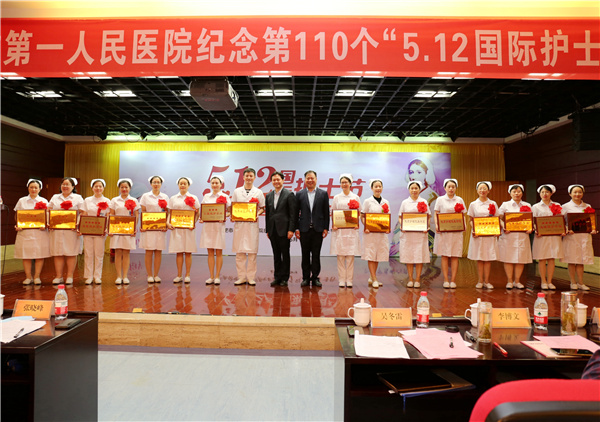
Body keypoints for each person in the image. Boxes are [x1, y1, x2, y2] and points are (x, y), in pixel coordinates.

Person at [295, 170, 330, 288]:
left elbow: (326, 212)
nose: (310, 180)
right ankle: (305, 278)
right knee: (305, 254)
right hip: (304, 229)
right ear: (305, 180)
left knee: (316, 254)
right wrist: (296, 228)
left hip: (318, 229)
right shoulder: (299, 194)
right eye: (308, 178)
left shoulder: (323, 194)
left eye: (312, 178)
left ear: (316, 179)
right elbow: (296, 213)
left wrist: (326, 228)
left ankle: (315, 277)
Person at [231, 168, 265, 286]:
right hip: (240, 225)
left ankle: (251, 277)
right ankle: (241, 277)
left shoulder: (258, 192)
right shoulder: (237, 191)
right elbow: (233, 207)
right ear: (243, 177)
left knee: (252, 253)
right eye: (247, 176)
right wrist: (233, 215)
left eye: (251, 176)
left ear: (254, 177)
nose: (249, 178)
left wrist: (256, 214)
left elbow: (262, 207)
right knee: (239, 253)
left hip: (252, 225)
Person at [14, 179, 51, 285]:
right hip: (25, 232)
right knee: (26, 255)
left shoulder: (44, 201)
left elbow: (47, 216)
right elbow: (17, 215)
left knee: (39, 254)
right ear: (28, 188)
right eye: (31, 187)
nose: (33, 189)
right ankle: (28, 277)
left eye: (36, 187)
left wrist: (45, 225)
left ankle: (37, 277)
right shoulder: (22, 200)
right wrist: (18, 225)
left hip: (40, 232)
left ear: (40, 189)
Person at [48, 177, 84, 284]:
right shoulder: (55, 197)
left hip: (72, 230)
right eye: (63, 184)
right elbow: (48, 210)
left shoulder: (77, 198)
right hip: (57, 230)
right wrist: (49, 222)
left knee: (71, 252)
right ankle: (59, 276)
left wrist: (78, 223)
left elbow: (83, 212)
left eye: (67, 184)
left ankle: (69, 276)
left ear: (73, 187)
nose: (65, 186)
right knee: (58, 252)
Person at [497, 184, 533, 289]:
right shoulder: (505, 205)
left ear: (522, 193)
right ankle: (509, 281)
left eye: (519, 191)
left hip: (522, 236)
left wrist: (530, 228)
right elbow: (498, 218)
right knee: (508, 258)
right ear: (510, 193)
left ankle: (517, 281)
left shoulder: (527, 205)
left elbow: (531, 220)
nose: (516, 193)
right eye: (514, 191)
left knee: (520, 259)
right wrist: (504, 226)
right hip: (509, 236)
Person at [561, 184, 597, 291]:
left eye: (580, 192)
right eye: (575, 192)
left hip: (584, 236)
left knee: (581, 260)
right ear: (570, 194)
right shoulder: (565, 207)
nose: (577, 194)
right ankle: (573, 282)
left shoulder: (587, 206)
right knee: (572, 260)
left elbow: (591, 221)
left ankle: (581, 283)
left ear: (583, 193)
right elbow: (561, 222)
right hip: (571, 237)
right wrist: (566, 229)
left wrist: (593, 229)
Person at [265, 171, 296, 287]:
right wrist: (268, 230)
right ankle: (277, 277)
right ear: (272, 182)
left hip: (284, 229)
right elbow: (268, 214)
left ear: (283, 180)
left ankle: (285, 278)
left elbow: (293, 214)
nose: (276, 182)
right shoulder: (268, 195)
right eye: (274, 180)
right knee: (276, 254)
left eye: (278, 179)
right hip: (273, 230)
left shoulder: (289, 194)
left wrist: (291, 229)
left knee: (285, 254)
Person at [433, 178, 466, 289]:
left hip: (456, 232)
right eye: (449, 187)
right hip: (444, 232)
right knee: (445, 255)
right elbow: (436, 214)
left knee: (455, 255)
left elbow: (462, 215)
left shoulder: (459, 199)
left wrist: (463, 226)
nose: (451, 189)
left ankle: (453, 280)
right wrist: (437, 225)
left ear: (456, 188)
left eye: (453, 187)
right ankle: (446, 280)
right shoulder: (440, 200)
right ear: (445, 188)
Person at [467, 181, 499, 289]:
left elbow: (496, 219)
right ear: (477, 190)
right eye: (480, 188)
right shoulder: (473, 204)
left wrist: (496, 230)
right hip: (478, 235)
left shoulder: (493, 203)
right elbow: (470, 220)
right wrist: (474, 230)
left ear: (488, 191)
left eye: (485, 188)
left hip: (489, 235)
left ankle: (487, 281)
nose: (482, 190)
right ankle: (480, 281)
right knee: (480, 258)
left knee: (488, 258)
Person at [398, 180, 431, 288]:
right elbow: (400, 217)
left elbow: (428, 217)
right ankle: (410, 279)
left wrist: (426, 226)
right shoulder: (404, 202)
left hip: (420, 234)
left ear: (419, 189)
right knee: (409, 256)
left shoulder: (424, 202)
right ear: (409, 190)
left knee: (419, 256)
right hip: (408, 234)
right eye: (412, 188)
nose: (414, 190)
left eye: (416, 188)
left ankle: (417, 279)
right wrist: (402, 225)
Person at [199, 175, 231, 286]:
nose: (214, 185)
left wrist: (224, 216)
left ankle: (217, 276)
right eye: (212, 183)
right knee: (210, 252)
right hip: (208, 227)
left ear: (221, 184)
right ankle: (211, 276)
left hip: (218, 227)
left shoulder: (225, 196)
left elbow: (230, 211)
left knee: (219, 252)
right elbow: (203, 211)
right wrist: (201, 218)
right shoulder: (206, 196)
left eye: (216, 183)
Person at [167, 177, 200, 283]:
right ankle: (179, 275)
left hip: (189, 228)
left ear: (188, 185)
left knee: (188, 252)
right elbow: (170, 213)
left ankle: (187, 275)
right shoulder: (173, 198)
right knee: (179, 252)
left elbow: (197, 213)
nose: (182, 185)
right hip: (177, 228)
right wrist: (168, 223)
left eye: (185, 183)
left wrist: (193, 223)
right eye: (181, 183)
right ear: (178, 185)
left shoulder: (193, 197)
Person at [331, 173, 361, 288]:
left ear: (350, 183)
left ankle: (349, 280)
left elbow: (359, 213)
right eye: (342, 182)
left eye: (346, 182)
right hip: (340, 231)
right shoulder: (337, 198)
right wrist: (334, 224)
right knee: (340, 256)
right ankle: (341, 280)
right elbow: (333, 213)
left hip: (351, 231)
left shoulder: (355, 197)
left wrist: (357, 223)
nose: (344, 184)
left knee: (350, 257)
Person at [531, 184, 564, 290]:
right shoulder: (535, 207)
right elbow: (532, 221)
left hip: (554, 236)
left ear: (551, 193)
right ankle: (543, 281)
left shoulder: (557, 205)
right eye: (542, 192)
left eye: (547, 192)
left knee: (551, 258)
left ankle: (550, 281)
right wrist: (536, 230)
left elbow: (561, 220)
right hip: (541, 236)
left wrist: (562, 230)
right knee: (542, 258)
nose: (544, 194)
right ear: (539, 194)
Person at [109, 178, 140, 285]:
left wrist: (134, 228)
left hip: (128, 230)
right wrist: (110, 229)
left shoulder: (134, 200)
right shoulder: (114, 200)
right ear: (119, 188)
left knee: (126, 253)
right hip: (117, 230)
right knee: (118, 253)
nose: (124, 189)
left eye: (126, 187)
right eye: (122, 187)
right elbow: (111, 215)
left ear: (130, 188)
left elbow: (136, 216)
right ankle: (118, 276)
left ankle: (125, 276)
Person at [361, 178, 390, 289]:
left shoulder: (386, 202)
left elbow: (387, 217)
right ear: (372, 188)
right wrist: (366, 226)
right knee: (371, 255)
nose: (378, 188)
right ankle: (374, 278)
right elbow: (362, 216)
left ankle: (371, 277)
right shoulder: (367, 201)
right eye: (376, 186)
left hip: (381, 234)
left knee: (377, 256)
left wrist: (387, 228)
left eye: (380, 186)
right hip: (370, 233)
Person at [140, 175, 169, 283]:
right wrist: (143, 225)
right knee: (149, 251)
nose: (156, 184)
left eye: (158, 182)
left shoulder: (165, 197)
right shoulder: (145, 196)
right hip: (148, 228)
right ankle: (149, 275)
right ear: (151, 184)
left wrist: (165, 224)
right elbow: (143, 212)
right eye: (154, 182)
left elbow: (167, 212)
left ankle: (156, 275)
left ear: (161, 184)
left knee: (158, 251)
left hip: (160, 228)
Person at [81, 178, 110, 285]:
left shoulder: (107, 201)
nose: (98, 188)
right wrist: (81, 228)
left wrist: (106, 228)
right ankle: (88, 276)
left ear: (103, 188)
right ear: (92, 188)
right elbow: (84, 214)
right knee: (88, 253)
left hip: (100, 231)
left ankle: (97, 276)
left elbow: (108, 216)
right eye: (96, 186)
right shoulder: (87, 200)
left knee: (99, 254)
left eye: (100, 186)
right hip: (88, 230)